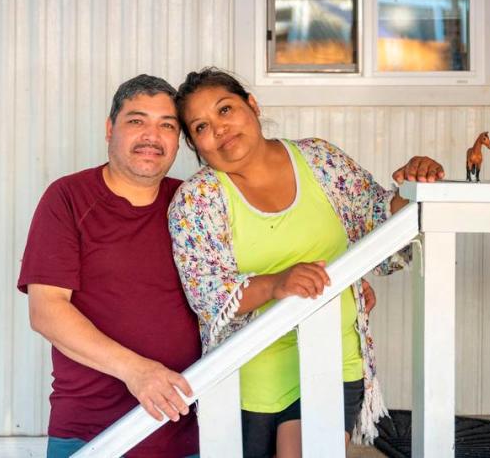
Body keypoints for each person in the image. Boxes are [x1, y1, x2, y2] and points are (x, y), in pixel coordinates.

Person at [167, 68, 444, 458]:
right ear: (195, 143)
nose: (220, 129)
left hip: (333, 361)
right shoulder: (199, 199)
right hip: (250, 376)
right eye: (201, 126)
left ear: (253, 104)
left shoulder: (319, 160)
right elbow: (206, 292)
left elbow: (379, 220)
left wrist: (417, 189)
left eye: (226, 109)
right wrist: (276, 284)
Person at [18, 75, 201, 458]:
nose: (152, 135)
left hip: (185, 432)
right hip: (90, 432)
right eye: (137, 121)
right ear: (109, 128)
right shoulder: (68, 198)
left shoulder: (193, 204)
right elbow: (47, 311)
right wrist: (138, 372)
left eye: (167, 125)